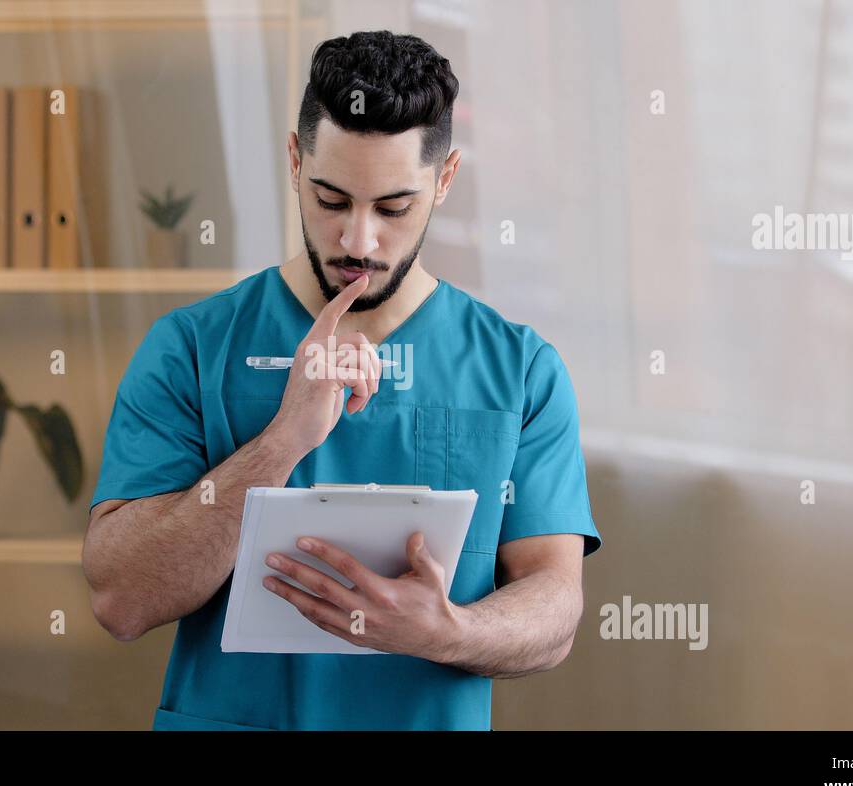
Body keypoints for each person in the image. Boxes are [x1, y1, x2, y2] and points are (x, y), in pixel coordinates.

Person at [82, 30, 601, 730]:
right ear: (295, 162)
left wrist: (445, 630)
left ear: (444, 180)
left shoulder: (521, 372)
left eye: (392, 208)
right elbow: (121, 599)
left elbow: (556, 607)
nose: (358, 241)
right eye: (331, 200)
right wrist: (281, 442)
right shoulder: (190, 350)